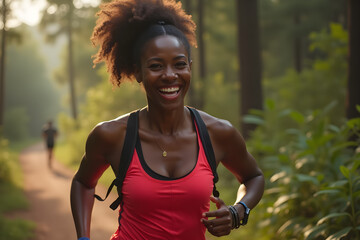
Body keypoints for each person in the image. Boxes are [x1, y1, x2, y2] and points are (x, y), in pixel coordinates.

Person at [70, 0, 265, 239]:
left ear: (190, 68)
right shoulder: (111, 136)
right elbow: (84, 183)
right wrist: (83, 237)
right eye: (156, 66)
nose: (170, 75)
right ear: (138, 72)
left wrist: (238, 211)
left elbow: (253, 177)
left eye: (179, 64)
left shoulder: (218, 133)